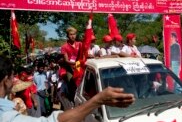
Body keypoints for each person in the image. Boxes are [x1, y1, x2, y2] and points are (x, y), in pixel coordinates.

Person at [0, 54, 135, 122]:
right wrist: (98, 100)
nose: (14, 81)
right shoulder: (7, 117)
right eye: (13, 77)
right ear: (6, 80)